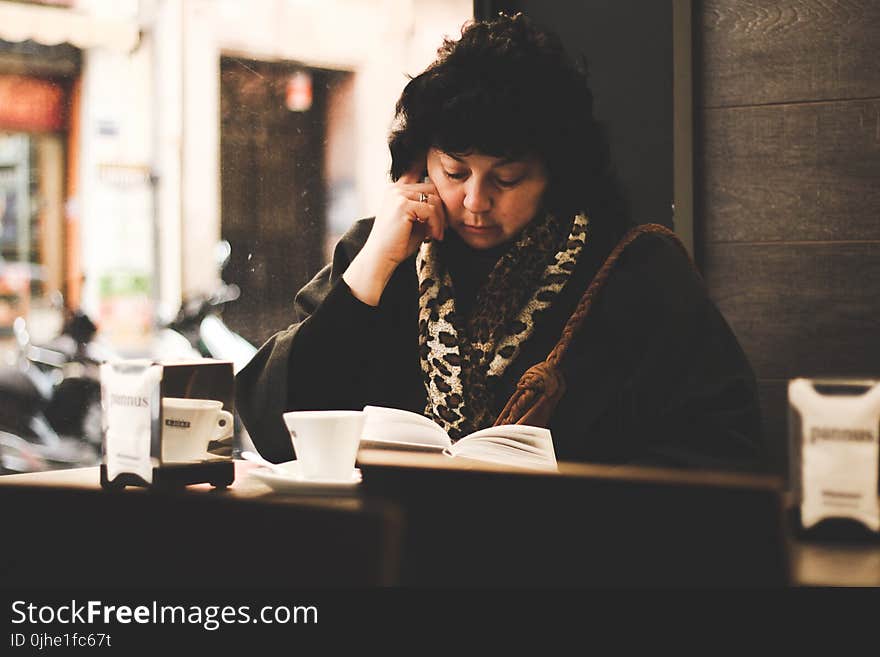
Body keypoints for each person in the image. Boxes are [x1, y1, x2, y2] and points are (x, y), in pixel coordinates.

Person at [235, 13, 765, 472]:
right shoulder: (381, 256)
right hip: (395, 560)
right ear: (421, 163)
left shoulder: (636, 271)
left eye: (507, 178)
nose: (475, 201)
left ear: (557, 173)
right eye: (455, 171)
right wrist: (369, 272)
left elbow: (724, 444)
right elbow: (275, 427)